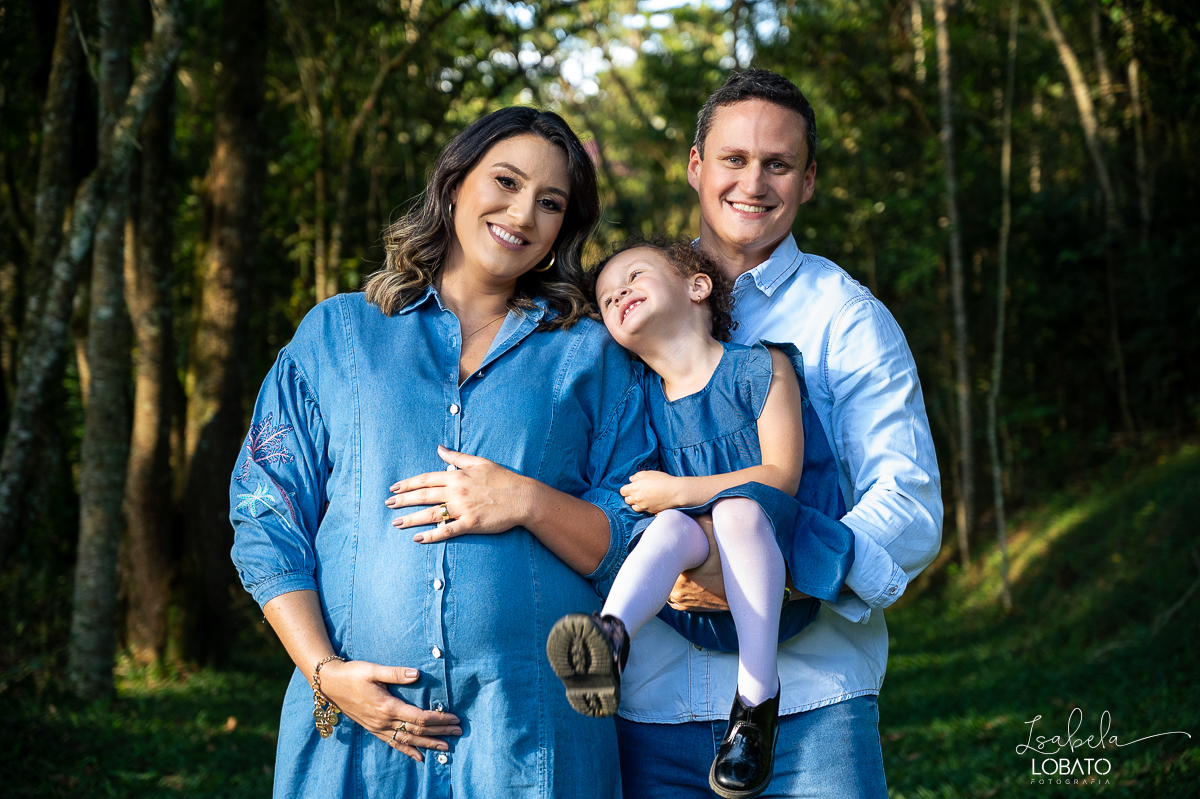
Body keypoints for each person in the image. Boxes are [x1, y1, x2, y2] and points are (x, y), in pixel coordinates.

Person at [230, 106, 655, 799]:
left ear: (562, 230)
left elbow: (635, 532)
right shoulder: (338, 335)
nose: (522, 212)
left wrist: (525, 501)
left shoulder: (591, 354)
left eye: (551, 203)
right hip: (354, 744)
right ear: (455, 183)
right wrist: (323, 672)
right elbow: (264, 516)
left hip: (535, 742)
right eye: (506, 181)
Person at [613, 70, 943, 798]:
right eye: (733, 159)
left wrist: (764, 577)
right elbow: (600, 481)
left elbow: (910, 504)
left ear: (809, 179)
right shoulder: (627, 310)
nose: (753, 182)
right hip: (649, 708)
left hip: (811, 705)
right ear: (696, 165)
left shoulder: (845, 317)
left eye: (778, 163)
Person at [546, 239, 853, 799]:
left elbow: (779, 477)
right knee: (668, 527)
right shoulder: (644, 397)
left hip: (781, 560)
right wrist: (670, 502)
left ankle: (756, 699)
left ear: (697, 286)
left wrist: (678, 489)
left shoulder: (761, 365)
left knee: (736, 509)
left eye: (633, 277)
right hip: (704, 592)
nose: (618, 295)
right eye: (607, 298)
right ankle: (609, 640)